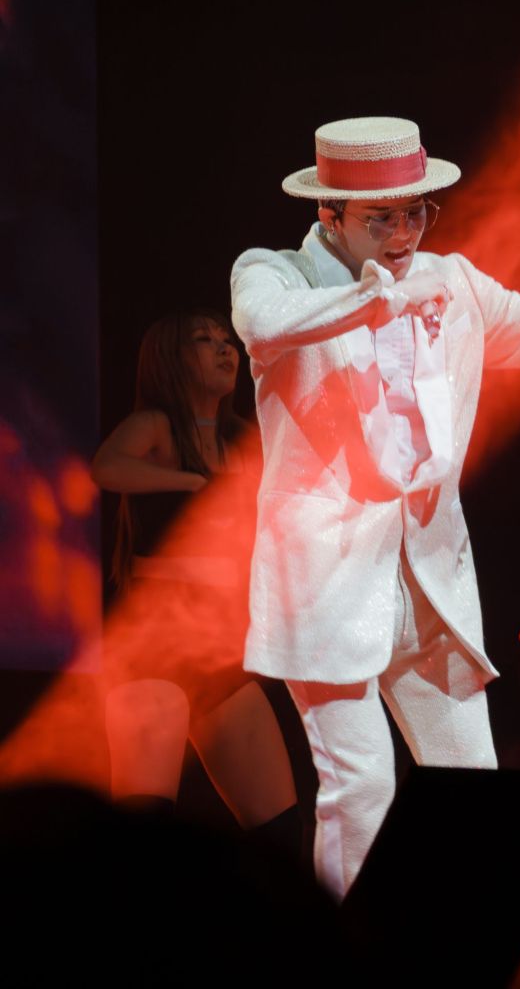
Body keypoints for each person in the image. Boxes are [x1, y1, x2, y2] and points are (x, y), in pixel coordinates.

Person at [230, 116, 520, 899]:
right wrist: (376, 301)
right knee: (362, 792)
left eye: (416, 213)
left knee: (472, 788)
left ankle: (467, 947)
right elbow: (261, 324)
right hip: (327, 589)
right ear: (329, 213)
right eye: (381, 218)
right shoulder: (277, 274)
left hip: (428, 585)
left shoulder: (450, 282)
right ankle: (342, 951)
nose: (403, 234)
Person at [91, 309, 299, 848]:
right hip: (154, 646)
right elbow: (107, 467)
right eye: (205, 340)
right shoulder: (155, 427)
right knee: (143, 827)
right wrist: (193, 485)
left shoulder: (242, 440)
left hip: (220, 651)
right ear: (171, 359)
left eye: (226, 339)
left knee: (281, 831)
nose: (224, 349)